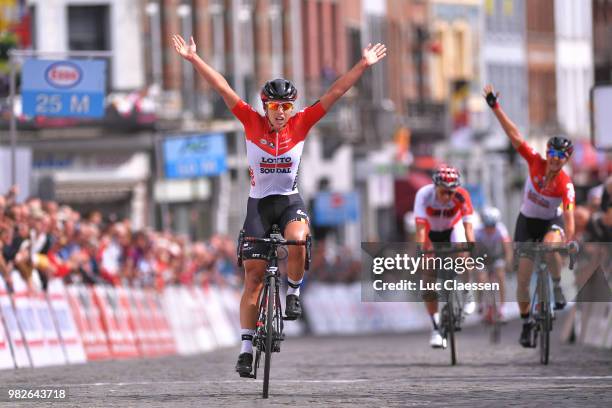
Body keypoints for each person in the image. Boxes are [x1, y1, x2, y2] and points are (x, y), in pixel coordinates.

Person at [172, 34, 387, 376]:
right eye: (275, 108)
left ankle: (294, 291)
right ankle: (245, 349)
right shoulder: (250, 122)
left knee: (299, 240)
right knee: (253, 278)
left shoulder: (301, 124)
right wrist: (194, 59)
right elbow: (223, 88)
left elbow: (334, 93)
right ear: (264, 107)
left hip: (289, 201)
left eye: (287, 107)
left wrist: (362, 64)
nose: (282, 114)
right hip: (258, 205)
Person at [484, 84, 577, 348]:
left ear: (566, 160)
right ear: (547, 152)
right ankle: (526, 323)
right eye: (553, 153)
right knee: (523, 279)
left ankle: (557, 286)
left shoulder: (565, 184)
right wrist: (495, 108)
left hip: (551, 221)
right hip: (526, 222)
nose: (556, 158)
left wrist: (569, 240)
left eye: (562, 156)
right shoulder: (535, 161)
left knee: (550, 247)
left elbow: (569, 215)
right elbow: (514, 136)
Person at [414, 165, 476, 348]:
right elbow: (420, 229)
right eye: (444, 192)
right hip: (431, 232)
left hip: (452, 229)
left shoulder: (461, 195)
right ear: (435, 187)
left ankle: (467, 294)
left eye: (451, 192)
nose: (448, 197)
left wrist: (472, 249)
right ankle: (435, 328)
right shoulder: (424, 196)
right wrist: (420, 252)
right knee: (428, 275)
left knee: (464, 254)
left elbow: (468, 228)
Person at [474, 206, 512, 321]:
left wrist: (508, 262)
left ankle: (502, 308)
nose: (490, 229)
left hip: (496, 257)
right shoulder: (477, 232)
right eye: (487, 226)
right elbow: (472, 250)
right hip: (482, 258)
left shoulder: (501, 229)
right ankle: (481, 302)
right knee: (481, 278)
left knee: (501, 276)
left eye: (492, 226)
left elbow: (507, 249)